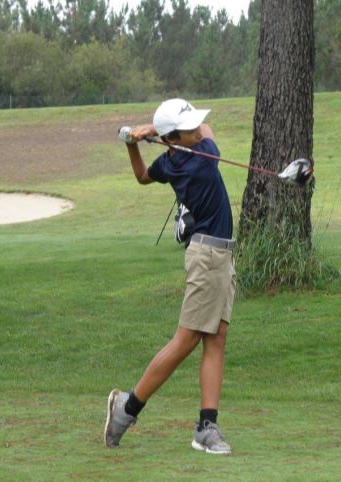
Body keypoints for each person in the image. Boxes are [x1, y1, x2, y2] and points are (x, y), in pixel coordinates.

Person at [104, 99, 236, 455]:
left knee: (216, 337)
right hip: (208, 256)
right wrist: (154, 132)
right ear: (176, 136)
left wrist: (135, 142)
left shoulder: (172, 160)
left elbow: (143, 176)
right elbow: (207, 133)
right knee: (186, 341)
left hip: (220, 255)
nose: (198, 128)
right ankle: (127, 409)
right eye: (188, 126)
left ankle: (206, 425)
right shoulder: (201, 154)